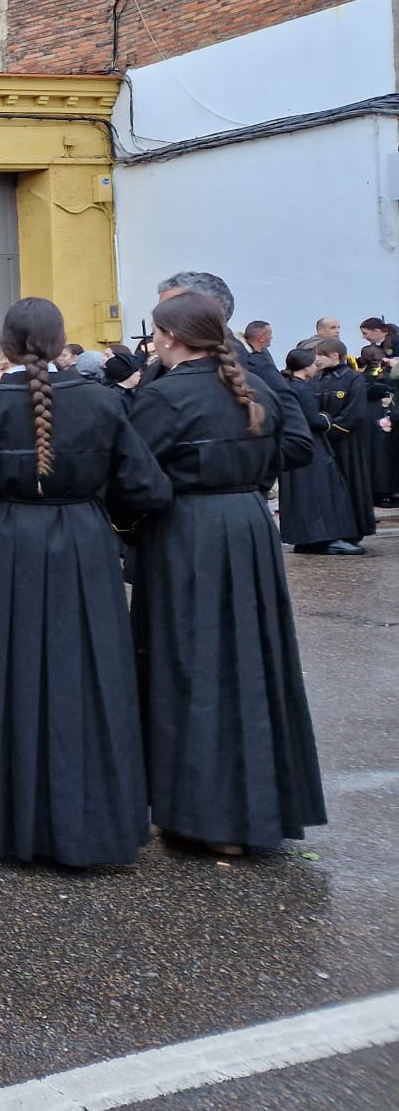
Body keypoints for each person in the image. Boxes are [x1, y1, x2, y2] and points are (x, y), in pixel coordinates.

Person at [0, 298, 170, 866]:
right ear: (62, 340)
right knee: (93, 674)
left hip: (11, 545)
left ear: (6, 345)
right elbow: (146, 486)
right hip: (86, 545)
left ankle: (1, 807)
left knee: (8, 674)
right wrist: (110, 526)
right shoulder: (103, 400)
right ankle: (100, 811)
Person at [129, 291, 325, 856]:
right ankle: (256, 809)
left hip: (187, 531)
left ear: (168, 336)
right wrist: (247, 474)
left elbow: (132, 475)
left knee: (191, 665)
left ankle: (205, 816)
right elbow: (296, 444)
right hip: (248, 524)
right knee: (253, 664)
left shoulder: (163, 397)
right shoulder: (257, 384)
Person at [278, 348, 365, 555]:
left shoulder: (287, 385)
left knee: (303, 493)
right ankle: (328, 538)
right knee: (323, 490)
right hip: (312, 443)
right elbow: (315, 419)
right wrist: (327, 418)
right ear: (306, 366)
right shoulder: (302, 389)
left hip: (294, 442)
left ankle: (307, 539)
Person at [310, 337, 380, 541]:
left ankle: (354, 530)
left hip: (346, 442)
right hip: (323, 442)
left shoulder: (352, 378)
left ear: (334, 355)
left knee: (351, 484)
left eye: (320, 355)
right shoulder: (317, 378)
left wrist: (332, 429)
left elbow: (355, 412)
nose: (317, 360)